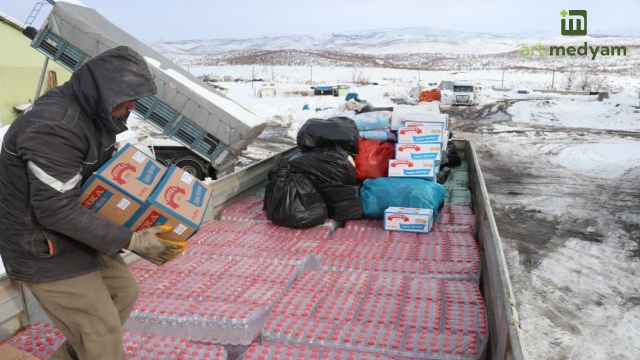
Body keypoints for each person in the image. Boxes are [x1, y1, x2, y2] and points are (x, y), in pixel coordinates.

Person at [0, 46, 186, 360]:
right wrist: (132, 240)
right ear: (103, 92)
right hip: (42, 246)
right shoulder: (55, 126)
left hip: (73, 235)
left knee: (123, 293)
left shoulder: (94, 115)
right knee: (101, 332)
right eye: (125, 98)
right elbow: (54, 208)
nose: (130, 107)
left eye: (135, 100)